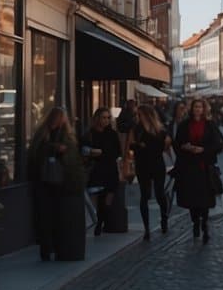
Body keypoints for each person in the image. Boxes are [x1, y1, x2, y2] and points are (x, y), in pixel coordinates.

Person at [25, 107, 79, 261]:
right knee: (45, 216)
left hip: (59, 182)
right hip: (44, 181)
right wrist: (53, 148)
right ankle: (47, 247)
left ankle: (54, 246)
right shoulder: (43, 136)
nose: (58, 122)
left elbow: (72, 157)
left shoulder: (65, 136)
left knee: (55, 216)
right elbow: (35, 155)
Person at [171, 99, 223, 243]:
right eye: (195, 107)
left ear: (204, 109)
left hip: (204, 166)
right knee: (191, 199)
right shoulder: (184, 125)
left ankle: (205, 223)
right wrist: (185, 147)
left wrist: (204, 149)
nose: (197, 109)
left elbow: (218, 144)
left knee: (205, 199)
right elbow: (177, 143)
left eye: (200, 107)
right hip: (188, 166)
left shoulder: (210, 125)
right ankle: (195, 222)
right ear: (191, 109)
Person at [131, 104, 171, 240]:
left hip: (156, 164)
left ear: (146, 115)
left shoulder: (159, 130)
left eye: (139, 114)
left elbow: (164, 146)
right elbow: (132, 145)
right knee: (144, 195)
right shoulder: (137, 129)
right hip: (142, 165)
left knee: (160, 193)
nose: (137, 117)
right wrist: (137, 146)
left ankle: (164, 218)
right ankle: (146, 228)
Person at [81, 107, 123, 237]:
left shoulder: (112, 134)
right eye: (103, 117)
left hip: (110, 170)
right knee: (97, 199)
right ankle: (96, 222)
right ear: (97, 118)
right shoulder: (90, 134)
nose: (106, 120)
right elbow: (83, 149)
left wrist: (104, 153)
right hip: (96, 170)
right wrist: (92, 152)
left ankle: (100, 223)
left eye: (108, 118)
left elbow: (117, 152)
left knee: (107, 201)